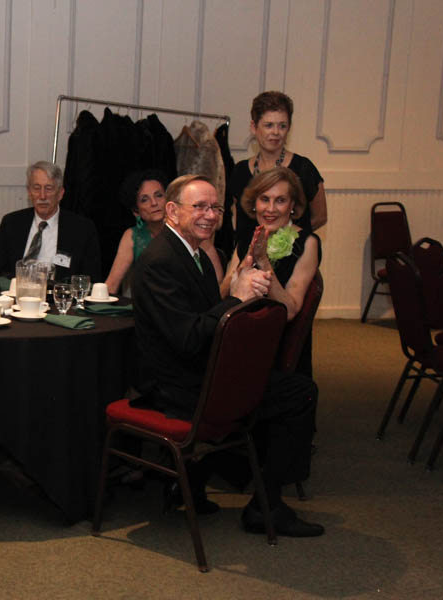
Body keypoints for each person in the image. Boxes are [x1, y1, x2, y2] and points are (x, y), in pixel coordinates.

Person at [132, 174, 323, 537]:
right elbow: (190, 338)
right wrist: (236, 298)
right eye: (199, 207)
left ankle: (192, 480)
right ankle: (266, 506)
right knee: (300, 393)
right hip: (179, 386)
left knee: (285, 387)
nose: (209, 215)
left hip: (197, 370)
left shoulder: (193, 252)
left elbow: (205, 317)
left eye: (215, 207)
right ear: (171, 211)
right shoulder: (161, 260)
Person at [221, 167, 321, 375]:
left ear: (293, 205)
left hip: (276, 342)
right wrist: (245, 262)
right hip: (241, 330)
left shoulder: (307, 243)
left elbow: (290, 310)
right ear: (254, 204)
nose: (271, 209)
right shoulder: (249, 236)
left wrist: (263, 261)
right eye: (264, 199)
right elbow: (221, 294)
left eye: (281, 200)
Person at [229, 91, 327, 253]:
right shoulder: (240, 171)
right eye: (269, 125)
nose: (276, 132)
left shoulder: (304, 168)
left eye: (282, 126)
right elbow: (237, 219)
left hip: (293, 260)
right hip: (246, 257)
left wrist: (284, 242)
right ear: (254, 127)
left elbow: (320, 217)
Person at [0, 160, 101, 288]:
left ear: (60, 193)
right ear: (29, 193)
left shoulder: (82, 229)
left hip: (59, 301)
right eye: (36, 188)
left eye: (49, 188)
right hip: (18, 299)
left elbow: (91, 281)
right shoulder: (11, 224)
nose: (42, 196)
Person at [104, 170, 168, 296]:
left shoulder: (187, 231)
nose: (154, 203)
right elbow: (112, 284)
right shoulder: (133, 236)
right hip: (144, 310)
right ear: (136, 211)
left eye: (159, 195)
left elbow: (215, 283)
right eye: (145, 200)